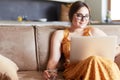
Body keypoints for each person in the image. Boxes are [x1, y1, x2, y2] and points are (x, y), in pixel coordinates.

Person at [43, 1, 120, 80]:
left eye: (86, 16)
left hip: (97, 65)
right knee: (93, 59)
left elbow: (117, 48)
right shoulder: (59, 34)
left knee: (97, 60)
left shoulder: (93, 31)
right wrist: (49, 72)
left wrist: (105, 55)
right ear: (71, 15)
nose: (83, 19)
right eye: (79, 15)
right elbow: (53, 60)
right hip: (73, 70)